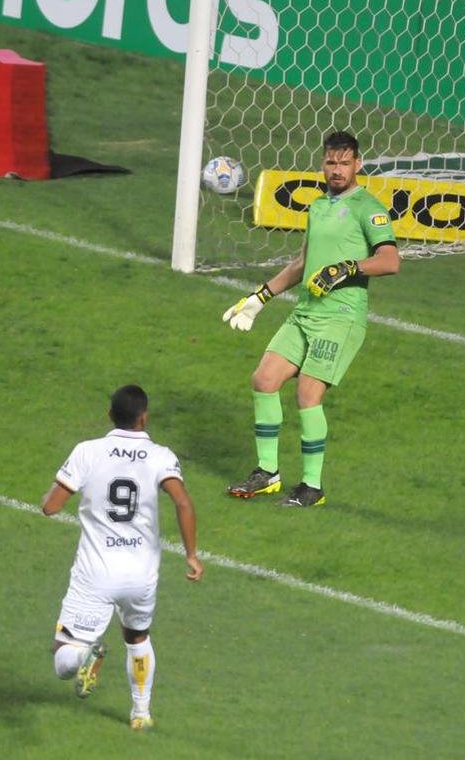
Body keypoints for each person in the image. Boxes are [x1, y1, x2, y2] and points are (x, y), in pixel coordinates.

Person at [222, 130, 400, 508]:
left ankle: (311, 487)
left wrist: (346, 269)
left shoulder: (368, 207)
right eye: (331, 162)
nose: (337, 170)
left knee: (307, 393)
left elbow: (390, 261)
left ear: (358, 164)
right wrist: (260, 297)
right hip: (305, 312)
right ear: (323, 163)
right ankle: (267, 473)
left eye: (344, 163)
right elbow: (303, 263)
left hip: (341, 318)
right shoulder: (318, 205)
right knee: (264, 379)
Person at [41, 384, 203, 731]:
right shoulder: (161, 456)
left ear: (109, 416)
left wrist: (55, 495)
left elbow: (51, 507)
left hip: (95, 574)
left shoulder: (88, 451)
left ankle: (85, 653)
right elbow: (183, 503)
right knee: (137, 637)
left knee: (63, 660)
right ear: (144, 417)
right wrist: (191, 555)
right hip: (141, 575)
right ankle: (140, 714)